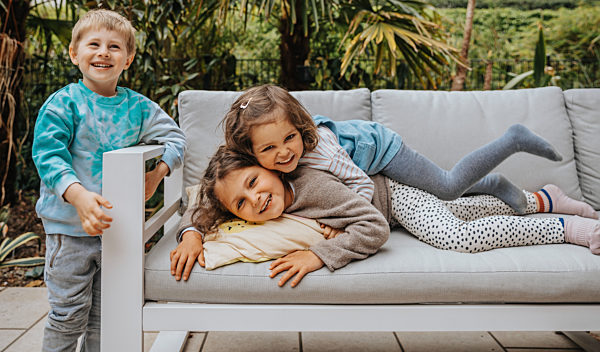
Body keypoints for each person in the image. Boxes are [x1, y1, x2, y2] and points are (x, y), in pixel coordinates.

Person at [186, 146, 600, 288]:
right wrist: (191, 233)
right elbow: (201, 205)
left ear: (270, 166)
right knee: (464, 208)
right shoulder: (244, 202)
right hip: (395, 206)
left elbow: (375, 228)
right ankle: (544, 199)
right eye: (241, 203)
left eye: (255, 181)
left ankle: (570, 228)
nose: (255, 199)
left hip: (393, 199)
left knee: (457, 234)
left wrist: (321, 254)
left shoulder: (313, 187)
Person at [32, 9, 186, 352]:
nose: (104, 52)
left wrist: (157, 174)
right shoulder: (63, 104)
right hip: (69, 230)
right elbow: (47, 155)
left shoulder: (139, 108)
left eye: (114, 47)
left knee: (108, 315)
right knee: (69, 314)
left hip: (117, 231)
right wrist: (79, 196)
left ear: (128, 58)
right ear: (75, 54)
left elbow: (177, 138)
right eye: (94, 44)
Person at [222, 84, 565, 214]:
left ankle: (511, 141)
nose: (284, 153)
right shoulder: (256, 165)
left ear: (299, 127)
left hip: (384, 150)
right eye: (269, 148)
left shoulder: (322, 153)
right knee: (435, 189)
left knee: (446, 187)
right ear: (251, 153)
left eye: (289, 139)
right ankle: (493, 183)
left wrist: (341, 222)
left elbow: (362, 186)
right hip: (364, 154)